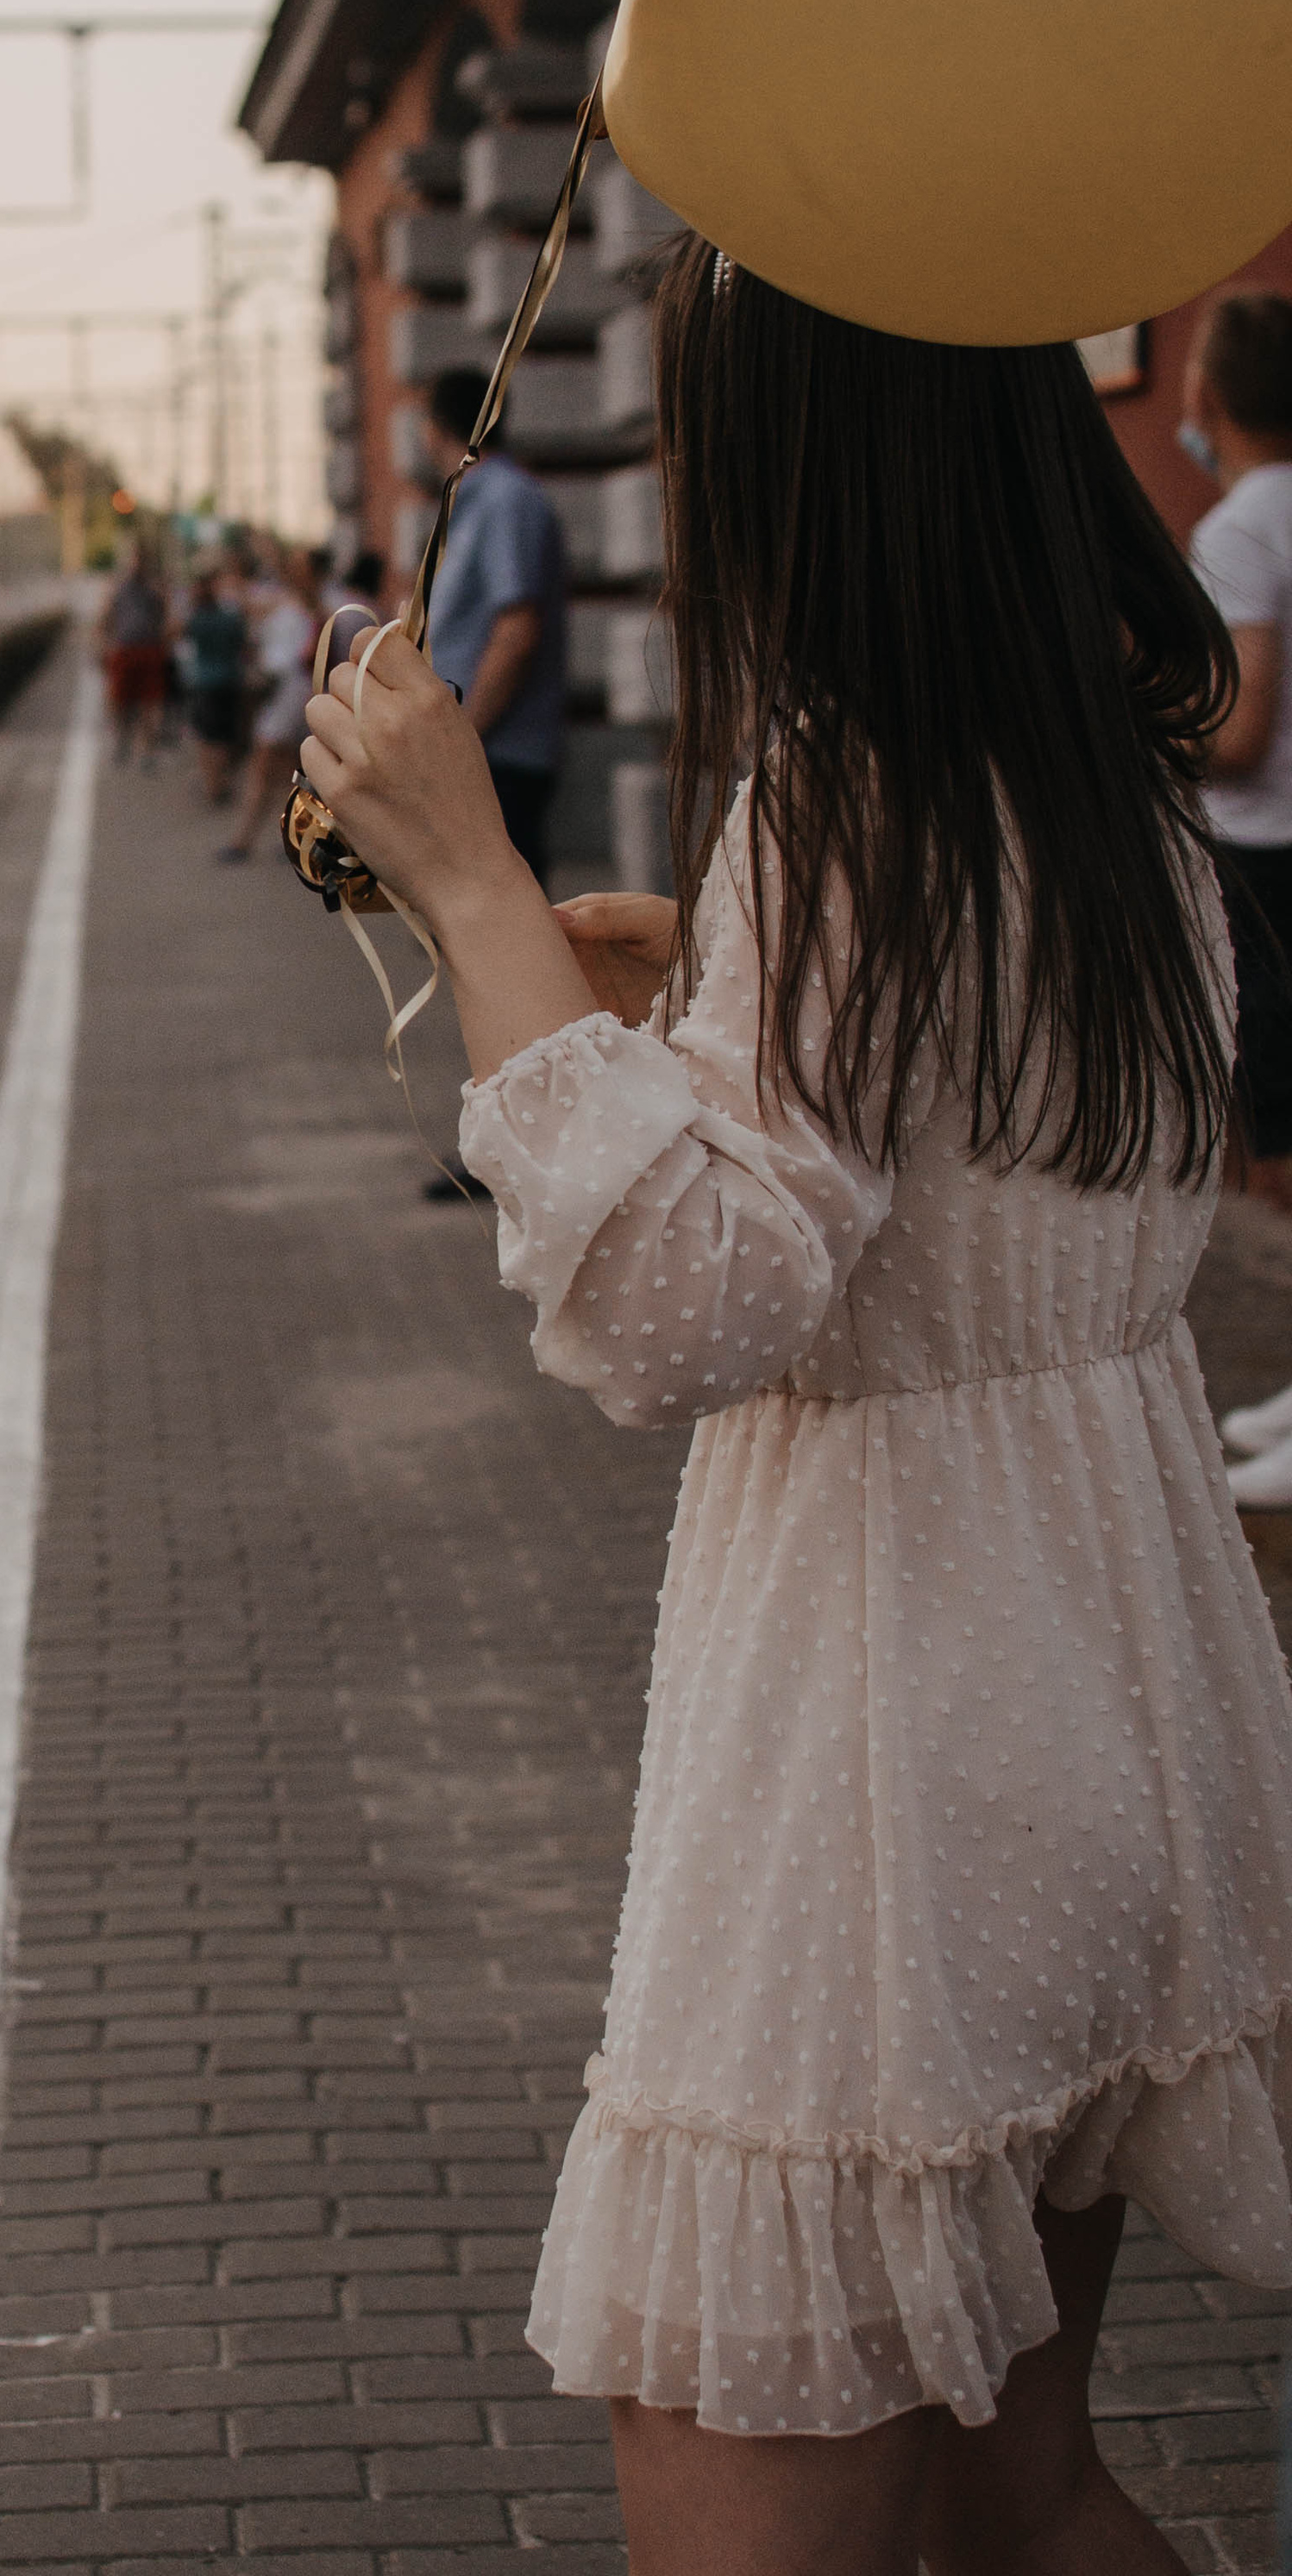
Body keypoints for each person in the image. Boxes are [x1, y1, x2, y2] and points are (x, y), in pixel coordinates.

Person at [300, 235, 1292, 2576]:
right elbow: (947, 1181)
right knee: (1027, 2501)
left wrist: (470, 882)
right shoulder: (1106, 783)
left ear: (792, 463)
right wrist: (690, 989)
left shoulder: (849, 805)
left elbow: (689, 1308)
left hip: (885, 1762)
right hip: (1109, 1700)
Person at [1182, 292, 1292, 1213]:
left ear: (1205, 396)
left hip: (1262, 865)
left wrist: (1144, 734)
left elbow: (1240, 735)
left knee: (1268, 1141)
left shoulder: (1241, 529)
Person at [418, 364, 568, 883]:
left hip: (500, 756)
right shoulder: (475, 500)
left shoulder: (506, 500)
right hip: (479, 751)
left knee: (505, 935)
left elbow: (517, 629)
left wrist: (462, 735)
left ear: (435, 424)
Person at [218, 543, 317, 865]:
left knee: (265, 769)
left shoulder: (302, 604)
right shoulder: (291, 601)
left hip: (286, 695)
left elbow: (285, 657)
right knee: (289, 772)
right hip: (290, 695)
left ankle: (245, 840)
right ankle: (292, 836)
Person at [180, 560, 248, 806]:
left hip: (204, 682)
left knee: (207, 737)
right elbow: (244, 644)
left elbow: (175, 633)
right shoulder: (229, 618)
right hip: (229, 679)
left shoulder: (196, 619)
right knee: (224, 736)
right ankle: (222, 782)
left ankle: (213, 785)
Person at [97, 541, 169, 768]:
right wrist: (102, 645)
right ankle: (122, 741)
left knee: (149, 702)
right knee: (120, 702)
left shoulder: (154, 588)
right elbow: (106, 617)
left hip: (148, 649)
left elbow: (165, 616)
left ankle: (147, 749)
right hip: (124, 649)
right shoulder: (118, 588)